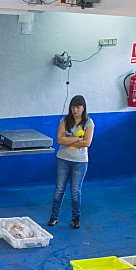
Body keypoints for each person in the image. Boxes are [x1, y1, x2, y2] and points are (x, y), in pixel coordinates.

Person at [48, 95, 94, 230]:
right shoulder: (64, 121)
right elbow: (59, 140)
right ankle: (54, 216)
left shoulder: (89, 123)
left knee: (75, 190)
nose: (75, 110)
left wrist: (68, 138)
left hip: (80, 161)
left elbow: (87, 142)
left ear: (83, 108)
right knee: (59, 189)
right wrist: (78, 138)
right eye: (73, 107)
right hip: (63, 159)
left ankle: (75, 218)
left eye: (78, 107)